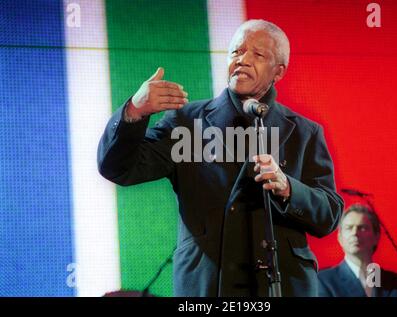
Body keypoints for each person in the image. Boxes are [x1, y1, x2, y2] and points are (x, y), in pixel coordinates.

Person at [98, 19, 343, 297]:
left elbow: (329, 215)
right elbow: (118, 168)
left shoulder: (304, 132)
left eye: (258, 54)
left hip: (282, 284)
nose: (243, 60)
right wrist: (134, 111)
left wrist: (287, 186)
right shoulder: (187, 122)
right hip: (208, 284)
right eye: (237, 52)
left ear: (279, 71)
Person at [318, 204, 397, 297]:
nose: (355, 233)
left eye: (362, 228)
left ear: (376, 236)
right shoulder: (323, 281)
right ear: (340, 238)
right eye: (349, 228)